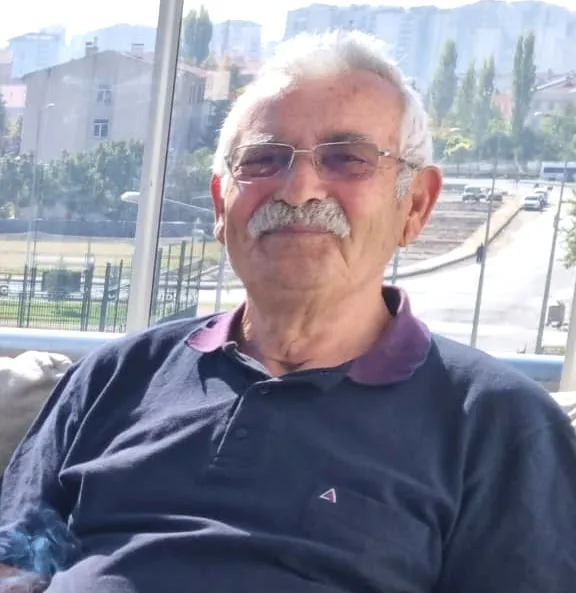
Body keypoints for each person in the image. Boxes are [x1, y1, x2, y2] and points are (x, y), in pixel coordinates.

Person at [1, 31, 576, 593]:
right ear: (220, 205)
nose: (298, 190)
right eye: (264, 159)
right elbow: (16, 562)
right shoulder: (114, 377)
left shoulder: (497, 424)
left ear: (416, 205)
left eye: (346, 159)